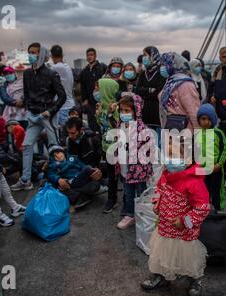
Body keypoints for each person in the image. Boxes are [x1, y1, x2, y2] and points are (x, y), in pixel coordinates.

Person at [141, 137, 210, 296]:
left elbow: (203, 207)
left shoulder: (194, 182)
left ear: (187, 160)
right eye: (167, 154)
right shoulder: (166, 175)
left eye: (173, 155)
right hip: (164, 227)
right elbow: (158, 191)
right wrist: (157, 203)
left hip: (184, 232)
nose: (168, 159)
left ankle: (195, 280)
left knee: (188, 257)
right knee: (162, 253)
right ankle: (161, 276)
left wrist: (185, 221)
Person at [10, 43, 66, 192]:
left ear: (42, 54)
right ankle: (25, 179)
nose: (31, 55)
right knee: (27, 145)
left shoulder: (51, 73)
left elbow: (62, 96)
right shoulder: (27, 74)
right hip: (34, 116)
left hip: (48, 116)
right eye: (30, 52)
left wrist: (51, 111)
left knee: (55, 148)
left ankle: (61, 178)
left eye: (34, 52)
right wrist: (29, 110)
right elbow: (27, 95)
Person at [115, 94, 153, 230]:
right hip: (126, 168)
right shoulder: (120, 126)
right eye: (121, 111)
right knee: (128, 193)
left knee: (141, 192)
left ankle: (142, 215)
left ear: (135, 111)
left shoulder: (142, 129)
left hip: (139, 170)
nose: (123, 114)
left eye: (127, 111)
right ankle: (130, 215)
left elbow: (148, 151)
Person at [46, 145, 102, 212]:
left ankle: (82, 195)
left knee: (93, 179)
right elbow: (50, 174)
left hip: (80, 178)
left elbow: (83, 166)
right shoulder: (53, 165)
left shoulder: (72, 158)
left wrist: (95, 171)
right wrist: (58, 179)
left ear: (63, 152)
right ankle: (81, 197)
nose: (57, 156)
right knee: (52, 186)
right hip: (69, 183)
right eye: (54, 156)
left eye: (58, 153)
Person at [195, 104, 226, 212]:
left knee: (217, 190)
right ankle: (204, 209)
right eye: (203, 119)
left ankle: (218, 209)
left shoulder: (218, 133)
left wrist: (219, 164)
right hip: (202, 169)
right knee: (204, 189)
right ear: (199, 120)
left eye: (209, 119)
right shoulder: (197, 134)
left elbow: (224, 150)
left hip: (215, 168)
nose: (206, 122)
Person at [95, 78, 120, 213]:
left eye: (99, 89)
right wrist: (98, 115)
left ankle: (128, 202)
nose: (97, 91)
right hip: (107, 147)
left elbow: (117, 126)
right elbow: (102, 126)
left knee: (120, 175)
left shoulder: (115, 108)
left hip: (118, 148)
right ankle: (112, 199)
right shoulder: (101, 106)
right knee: (111, 176)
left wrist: (111, 114)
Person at [159, 52, 201, 130]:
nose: (162, 67)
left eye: (164, 64)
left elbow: (193, 111)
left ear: (174, 64)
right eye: (161, 65)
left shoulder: (185, 84)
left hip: (185, 131)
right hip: (170, 129)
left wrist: (199, 137)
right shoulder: (170, 82)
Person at [135, 46, 166, 127]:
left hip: (157, 111)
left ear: (153, 56)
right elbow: (137, 90)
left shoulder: (161, 73)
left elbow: (158, 93)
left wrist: (144, 91)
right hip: (144, 110)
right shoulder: (143, 73)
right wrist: (150, 90)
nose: (143, 58)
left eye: (145, 55)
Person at [79, 48, 107, 133]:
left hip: (101, 100)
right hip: (89, 102)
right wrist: (84, 99)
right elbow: (82, 86)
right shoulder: (84, 71)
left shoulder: (101, 68)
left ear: (95, 56)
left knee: (101, 121)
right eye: (88, 55)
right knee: (91, 122)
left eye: (91, 55)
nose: (89, 57)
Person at [50, 45, 76, 128]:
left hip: (63, 107)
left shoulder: (56, 67)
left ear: (52, 56)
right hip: (70, 104)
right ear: (62, 55)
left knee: (65, 133)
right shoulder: (67, 66)